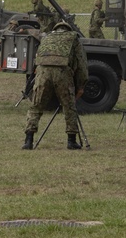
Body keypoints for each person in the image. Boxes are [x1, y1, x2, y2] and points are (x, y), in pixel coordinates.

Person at [21, 21, 89, 150]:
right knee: (69, 106)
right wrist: (81, 85)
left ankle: (28, 140)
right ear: (68, 30)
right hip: (62, 73)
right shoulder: (73, 38)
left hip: (42, 73)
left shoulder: (47, 38)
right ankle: (71, 141)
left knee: (36, 106)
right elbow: (82, 64)